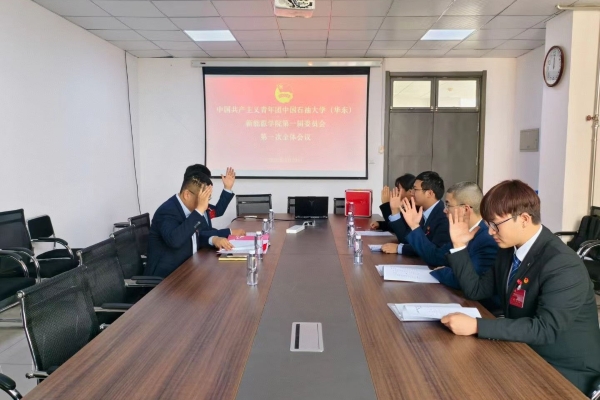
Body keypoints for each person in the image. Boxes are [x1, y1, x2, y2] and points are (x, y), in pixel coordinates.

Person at [441, 180, 600, 395]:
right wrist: (459, 245)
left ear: (524, 219)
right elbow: (476, 290)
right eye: (488, 224)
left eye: (495, 224)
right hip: (523, 349)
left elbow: (545, 329)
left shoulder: (562, 263)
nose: (490, 232)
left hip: (563, 369)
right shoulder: (508, 250)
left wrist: (477, 326)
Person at [146, 173, 233, 278]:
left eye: (208, 199)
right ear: (187, 194)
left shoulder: (188, 210)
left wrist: (213, 239)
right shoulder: (167, 211)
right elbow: (175, 240)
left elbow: (193, 236)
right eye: (203, 199)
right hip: (166, 278)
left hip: (189, 268)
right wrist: (199, 210)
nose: (206, 205)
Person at [429, 182, 498, 291]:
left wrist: (442, 271)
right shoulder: (460, 231)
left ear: (465, 209)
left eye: (448, 205)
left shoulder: (487, 238)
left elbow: (467, 280)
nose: (444, 210)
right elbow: (439, 257)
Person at [381, 171, 450, 258]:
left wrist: (400, 248)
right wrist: (395, 210)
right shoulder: (422, 211)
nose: (412, 192)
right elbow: (406, 240)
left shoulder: (443, 217)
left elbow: (433, 251)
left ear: (429, 193)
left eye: (415, 189)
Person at [184, 164, 245, 239]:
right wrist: (229, 232)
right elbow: (198, 234)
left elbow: (218, 211)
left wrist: (227, 188)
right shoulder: (187, 208)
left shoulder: (203, 202)